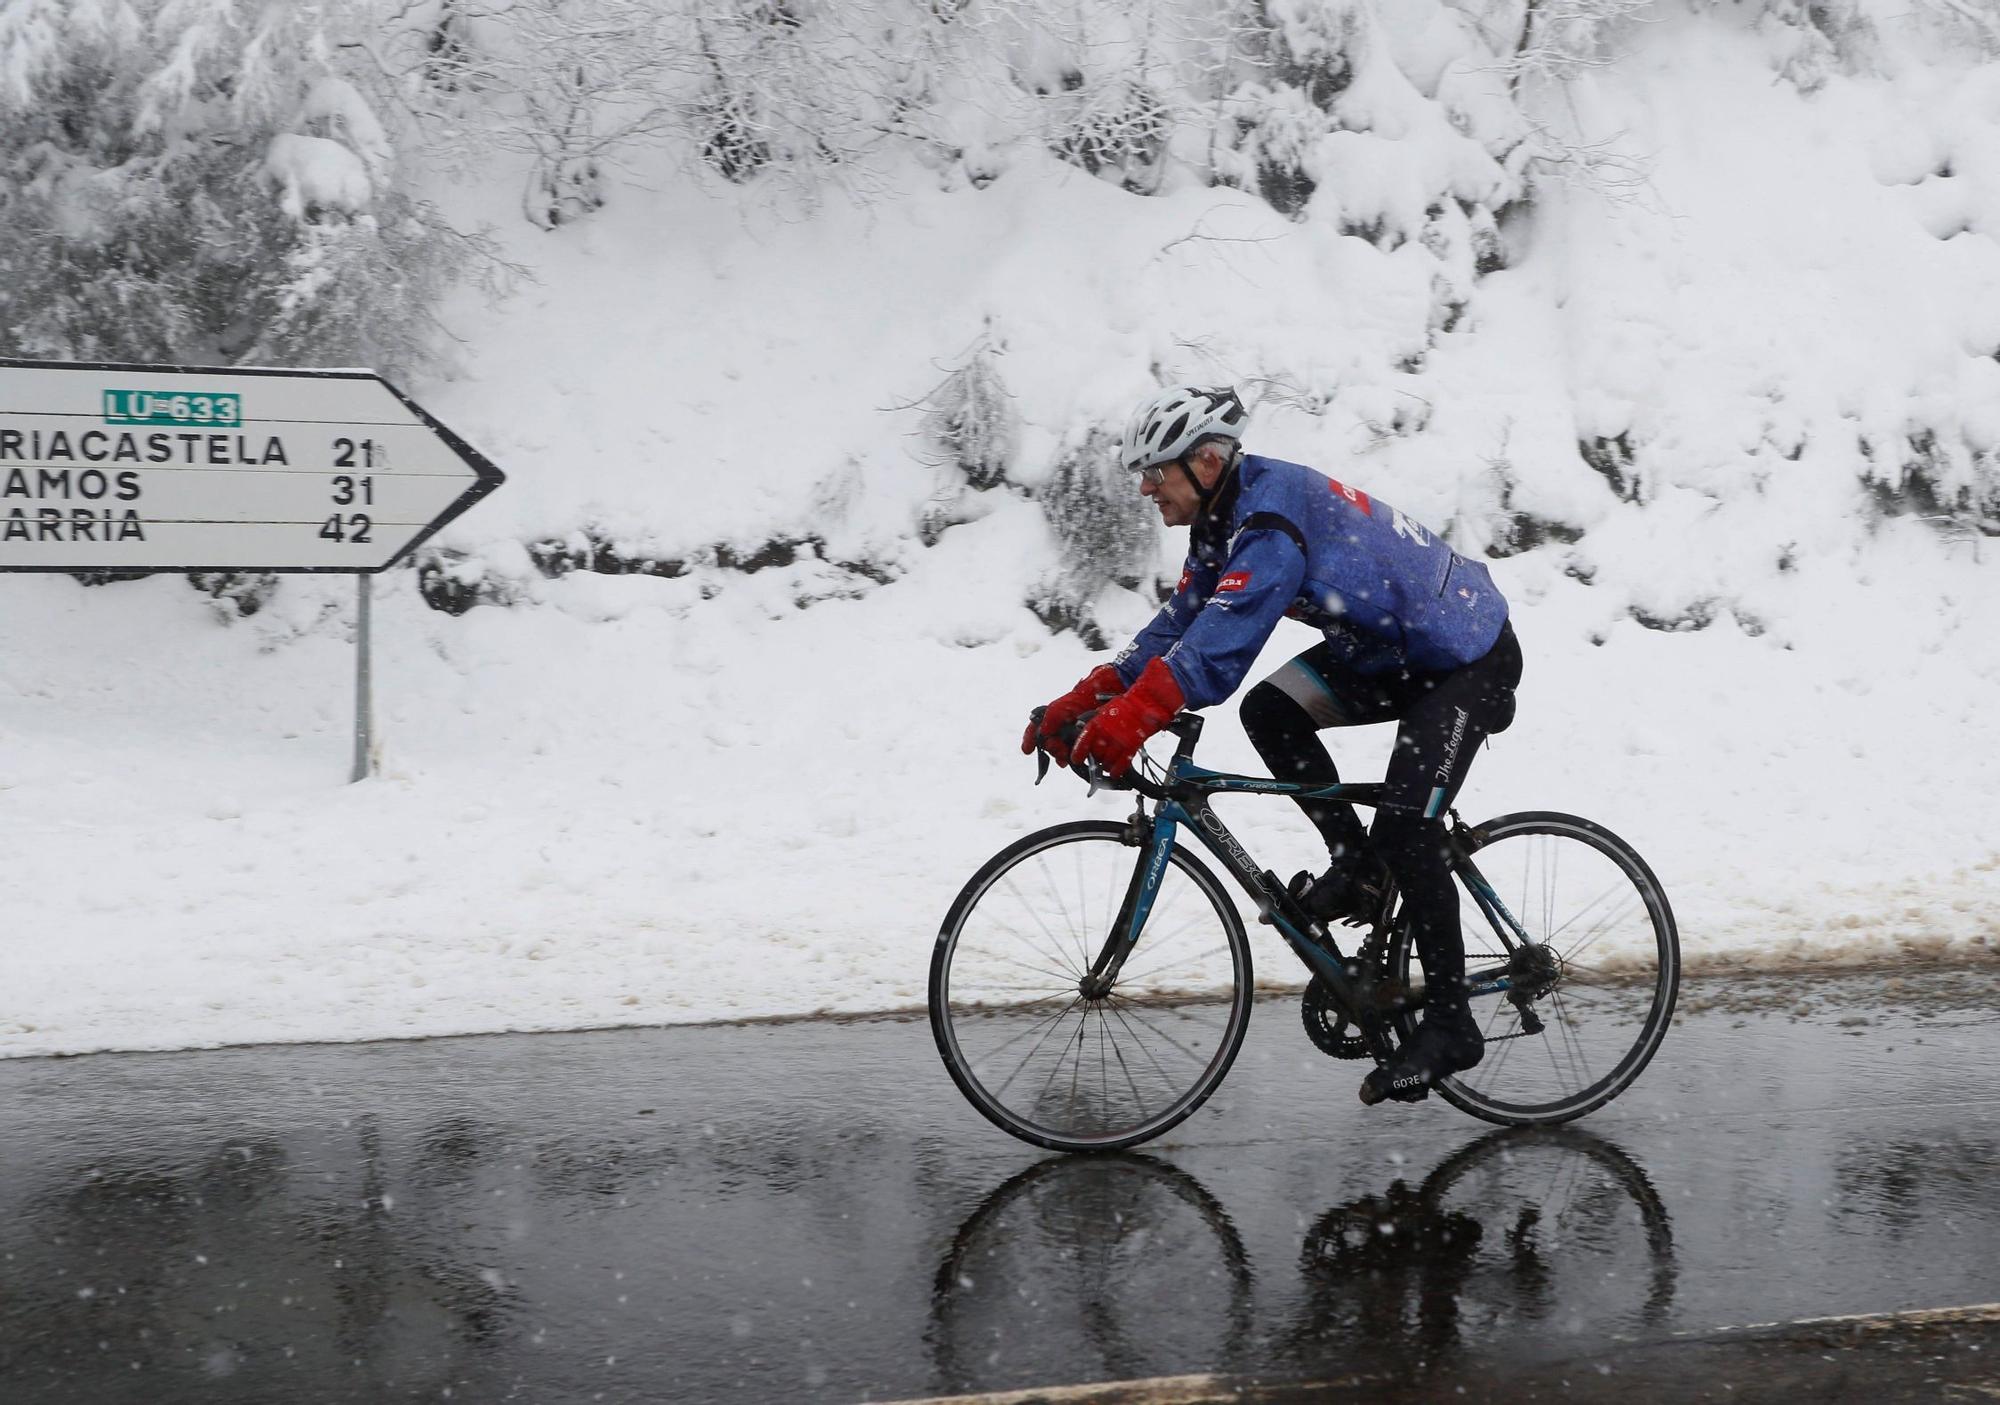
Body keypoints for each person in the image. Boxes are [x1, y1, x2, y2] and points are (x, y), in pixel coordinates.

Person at [1021, 385, 1523, 1105]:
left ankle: (1451, 1024)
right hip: (1393, 653)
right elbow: (1179, 626)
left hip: (1467, 659)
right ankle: (1359, 869)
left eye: (1154, 470)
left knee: (1409, 827)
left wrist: (1136, 718)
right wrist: (1090, 696)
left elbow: (1218, 648)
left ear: (1203, 460)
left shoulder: (1270, 521)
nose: (1144, 486)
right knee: (1274, 711)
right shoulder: (1224, 519)